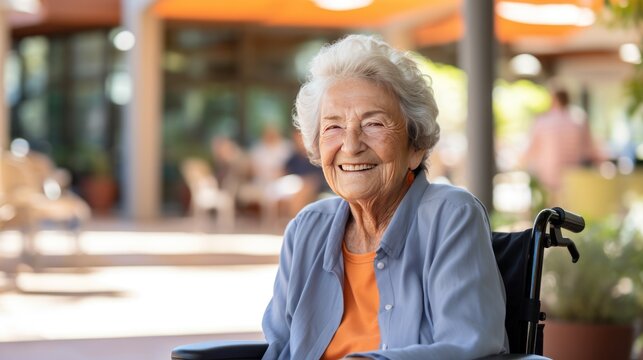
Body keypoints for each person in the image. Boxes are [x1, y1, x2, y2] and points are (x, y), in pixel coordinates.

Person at [261, 35, 508, 359]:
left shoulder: (450, 217)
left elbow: (468, 346)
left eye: (373, 123)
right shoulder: (306, 230)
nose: (350, 146)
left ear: (415, 147)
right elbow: (279, 348)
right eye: (333, 127)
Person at [522, 88, 605, 202]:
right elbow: (591, 149)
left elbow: (529, 151)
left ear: (553, 100)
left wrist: (521, 162)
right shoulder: (579, 120)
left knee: (548, 212)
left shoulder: (543, 121)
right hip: (573, 177)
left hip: (547, 178)